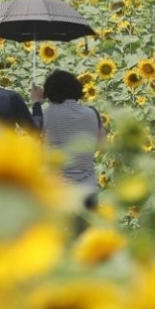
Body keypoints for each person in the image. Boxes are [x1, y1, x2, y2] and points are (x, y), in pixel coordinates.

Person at [33, 69, 106, 216]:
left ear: (50, 92)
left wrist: (36, 103)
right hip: (88, 191)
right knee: (85, 237)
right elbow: (102, 144)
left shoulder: (47, 114)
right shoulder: (93, 113)